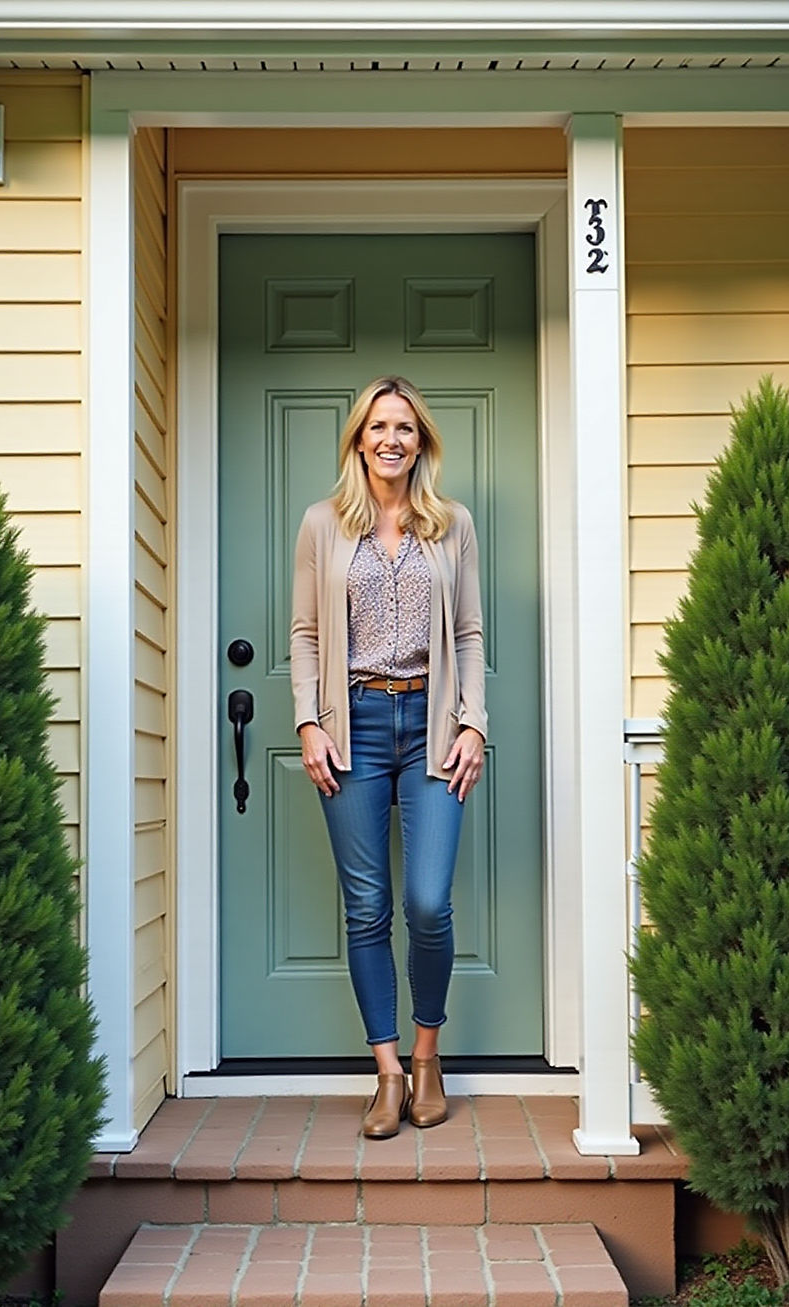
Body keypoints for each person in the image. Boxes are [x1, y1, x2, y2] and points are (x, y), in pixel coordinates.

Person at [290, 375, 487, 1140]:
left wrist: (473, 723)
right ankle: (388, 1072)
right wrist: (309, 720)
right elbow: (306, 632)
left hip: (434, 723)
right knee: (366, 908)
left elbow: (468, 633)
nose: (392, 439)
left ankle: (429, 1055)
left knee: (429, 903)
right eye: (378, 427)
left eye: (405, 427)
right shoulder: (322, 524)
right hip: (356, 723)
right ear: (358, 440)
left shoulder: (452, 525)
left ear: (421, 441)